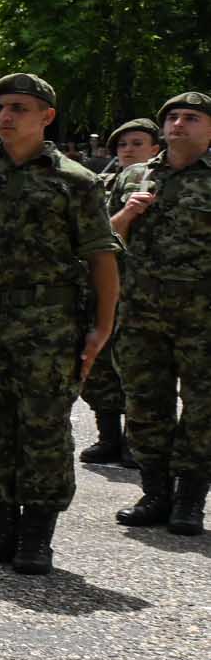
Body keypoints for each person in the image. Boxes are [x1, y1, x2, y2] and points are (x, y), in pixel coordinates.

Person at [0, 73, 118, 574]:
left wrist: (103, 328)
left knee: (42, 427)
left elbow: (101, 256)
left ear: (45, 116)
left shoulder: (75, 180)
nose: (5, 117)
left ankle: (36, 536)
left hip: (48, 323)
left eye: (18, 107)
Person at [108, 92, 211, 536]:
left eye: (191, 118)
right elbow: (101, 238)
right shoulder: (132, 176)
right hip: (140, 311)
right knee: (145, 402)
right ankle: (155, 492)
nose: (179, 124)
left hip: (203, 315)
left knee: (204, 408)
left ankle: (190, 499)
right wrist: (127, 216)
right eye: (172, 117)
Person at [76, 119, 159, 465]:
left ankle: (132, 442)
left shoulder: (163, 181)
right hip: (109, 285)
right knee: (101, 368)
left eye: (137, 143)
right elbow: (100, 235)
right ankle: (108, 435)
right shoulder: (105, 183)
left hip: (148, 292)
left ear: (155, 149)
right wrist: (128, 211)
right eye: (123, 144)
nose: (128, 150)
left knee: (139, 369)